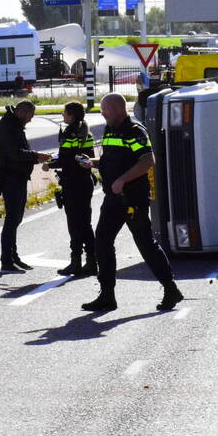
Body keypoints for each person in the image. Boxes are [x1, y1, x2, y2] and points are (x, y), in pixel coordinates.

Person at [79, 93, 183, 312]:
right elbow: (109, 161)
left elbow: (148, 160)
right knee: (102, 242)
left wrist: (122, 180)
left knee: (145, 243)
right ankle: (107, 295)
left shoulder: (134, 131)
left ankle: (170, 289)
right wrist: (92, 163)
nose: (102, 113)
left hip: (132, 198)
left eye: (105, 110)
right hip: (113, 198)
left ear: (117, 109)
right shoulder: (110, 129)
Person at [0, 100, 52, 272]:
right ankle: (6, 260)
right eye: (29, 115)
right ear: (21, 112)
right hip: (11, 177)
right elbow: (13, 154)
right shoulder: (8, 127)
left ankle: (12, 256)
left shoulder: (12, 124)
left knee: (15, 218)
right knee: (12, 219)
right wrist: (36, 156)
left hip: (17, 176)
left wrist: (34, 157)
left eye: (31, 116)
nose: (30, 119)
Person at [42, 101, 96, 277]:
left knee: (74, 224)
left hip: (72, 183)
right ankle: (92, 261)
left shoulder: (69, 132)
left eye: (64, 113)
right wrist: (58, 158)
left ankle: (76, 262)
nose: (63, 115)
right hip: (85, 181)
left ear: (71, 115)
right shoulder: (86, 132)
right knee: (85, 223)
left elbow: (66, 158)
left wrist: (49, 164)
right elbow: (86, 157)